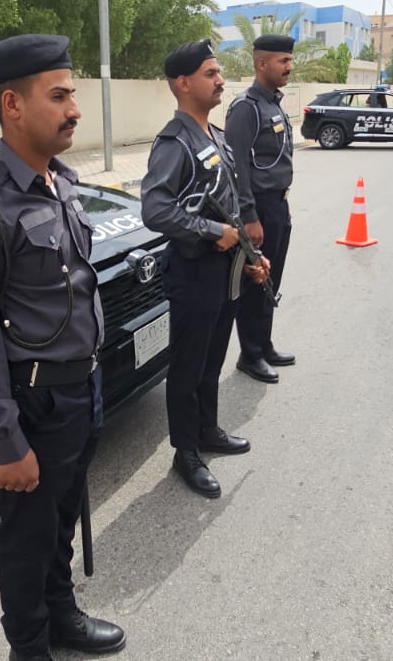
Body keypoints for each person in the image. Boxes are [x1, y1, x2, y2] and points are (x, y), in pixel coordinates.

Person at [0, 34, 126, 661]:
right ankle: (30, 647)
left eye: (73, 94)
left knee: (61, 520)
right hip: (33, 401)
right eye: (60, 96)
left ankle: (61, 615)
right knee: (26, 537)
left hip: (80, 390)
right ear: (12, 105)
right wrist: (4, 439)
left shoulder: (60, 180)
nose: (76, 109)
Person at [140, 39, 268, 498]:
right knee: (188, 367)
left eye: (218, 72)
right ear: (183, 83)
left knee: (213, 359)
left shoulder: (214, 135)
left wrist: (249, 255)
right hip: (193, 273)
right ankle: (186, 451)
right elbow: (155, 209)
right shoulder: (174, 142)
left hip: (224, 270)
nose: (220, 80)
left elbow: (229, 203)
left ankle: (208, 430)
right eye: (210, 73)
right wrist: (212, 231)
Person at [224, 33, 297, 384]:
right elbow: (237, 168)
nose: (289, 66)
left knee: (272, 279)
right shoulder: (246, 108)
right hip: (259, 208)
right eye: (283, 60)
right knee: (255, 281)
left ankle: (263, 344)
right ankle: (250, 355)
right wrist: (250, 216)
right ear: (261, 63)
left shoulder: (273, 104)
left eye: (290, 60)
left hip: (277, 205)